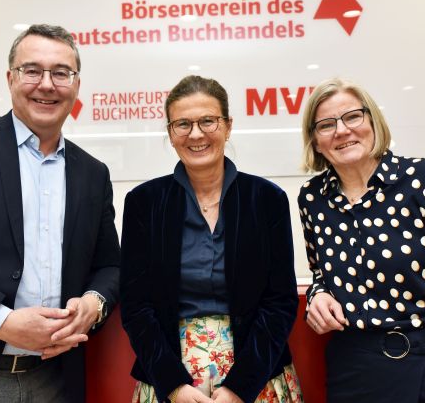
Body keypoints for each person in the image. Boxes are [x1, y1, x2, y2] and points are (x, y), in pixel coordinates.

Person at [0, 24, 121, 403]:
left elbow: (110, 266)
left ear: (76, 85)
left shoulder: (93, 173)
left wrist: (94, 304)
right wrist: (3, 323)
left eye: (61, 72)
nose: (46, 84)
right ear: (10, 78)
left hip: (56, 381)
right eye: (32, 70)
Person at [120, 75, 303, 403]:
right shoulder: (144, 202)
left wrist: (239, 388)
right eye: (183, 124)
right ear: (170, 133)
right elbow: (136, 307)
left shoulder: (266, 199)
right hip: (171, 379)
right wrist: (175, 386)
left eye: (208, 121)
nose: (196, 134)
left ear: (228, 126)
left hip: (256, 378)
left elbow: (280, 302)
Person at [298, 77, 425, 402]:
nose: (342, 130)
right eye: (326, 124)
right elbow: (322, 272)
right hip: (350, 368)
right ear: (315, 141)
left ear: (372, 120)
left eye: (353, 117)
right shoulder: (312, 198)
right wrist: (318, 295)